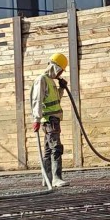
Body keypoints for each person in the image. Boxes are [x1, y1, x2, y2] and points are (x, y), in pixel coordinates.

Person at [29, 51, 70, 190]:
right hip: (49, 120)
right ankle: (56, 179)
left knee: (48, 150)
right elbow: (37, 99)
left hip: (53, 119)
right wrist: (36, 118)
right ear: (55, 67)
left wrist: (62, 89)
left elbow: (55, 100)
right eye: (60, 71)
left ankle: (47, 179)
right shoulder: (42, 79)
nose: (60, 75)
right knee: (56, 148)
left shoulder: (50, 81)